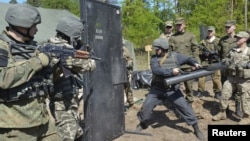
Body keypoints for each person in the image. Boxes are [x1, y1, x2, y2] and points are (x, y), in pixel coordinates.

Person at [0, 4, 61, 140]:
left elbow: (46, 80)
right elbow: (2, 78)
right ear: (23, 25)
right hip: (16, 127)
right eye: (34, 25)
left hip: (42, 121)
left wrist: (59, 67)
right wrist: (38, 61)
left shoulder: (34, 47)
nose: (37, 29)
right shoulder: (2, 46)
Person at [135, 38, 205, 140]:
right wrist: (171, 72)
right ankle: (143, 123)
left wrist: (194, 63)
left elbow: (188, 59)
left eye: (157, 49)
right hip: (158, 89)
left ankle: (196, 129)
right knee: (146, 105)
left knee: (185, 108)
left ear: (164, 48)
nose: (156, 51)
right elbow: (157, 71)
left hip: (173, 90)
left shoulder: (176, 56)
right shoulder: (154, 58)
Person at [48, 16, 96, 141]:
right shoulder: (65, 50)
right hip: (60, 103)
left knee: (78, 131)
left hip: (64, 101)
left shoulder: (49, 45)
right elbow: (90, 65)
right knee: (68, 135)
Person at [212, 31, 250, 124]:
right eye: (236, 37)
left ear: (245, 39)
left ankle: (247, 116)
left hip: (244, 79)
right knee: (224, 93)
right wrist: (226, 61)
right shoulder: (232, 50)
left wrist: (246, 65)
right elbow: (226, 59)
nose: (236, 39)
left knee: (245, 97)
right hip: (231, 77)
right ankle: (222, 112)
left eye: (239, 38)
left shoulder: (248, 51)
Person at [169, 17, 200, 103]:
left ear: (184, 25)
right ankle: (177, 102)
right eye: (177, 25)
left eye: (180, 25)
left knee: (189, 86)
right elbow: (170, 52)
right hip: (177, 66)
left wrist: (195, 63)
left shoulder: (190, 36)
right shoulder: (172, 38)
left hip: (188, 66)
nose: (178, 27)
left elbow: (195, 50)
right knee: (175, 85)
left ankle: (189, 101)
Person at [216, 20, 243, 118]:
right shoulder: (222, 40)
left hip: (236, 68)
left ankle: (238, 109)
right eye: (226, 27)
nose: (227, 29)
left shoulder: (239, 39)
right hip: (225, 69)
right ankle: (225, 109)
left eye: (229, 27)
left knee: (238, 89)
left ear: (234, 27)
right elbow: (219, 53)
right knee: (224, 89)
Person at [197, 26, 222, 99]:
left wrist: (214, 52)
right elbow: (198, 50)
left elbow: (221, 50)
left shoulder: (218, 41)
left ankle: (217, 92)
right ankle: (200, 90)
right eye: (209, 31)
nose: (210, 33)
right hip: (205, 61)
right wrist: (203, 53)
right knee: (201, 76)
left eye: (211, 31)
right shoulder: (203, 41)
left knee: (216, 78)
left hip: (214, 61)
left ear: (214, 32)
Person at [122, 39, 134, 107]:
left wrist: (128, 64)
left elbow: (130, 60)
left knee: (127, 87)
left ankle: (130, 102)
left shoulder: (125, 50)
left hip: (125, 71)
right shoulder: (112, 50)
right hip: (116, 72)